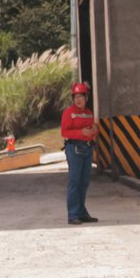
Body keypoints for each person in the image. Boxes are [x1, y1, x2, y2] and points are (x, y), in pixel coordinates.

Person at [60, 81, 98, 225]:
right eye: (76, 97)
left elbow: (91, 130)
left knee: (84, 182)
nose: (78, 99)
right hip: (74, 149)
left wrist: (94, 130)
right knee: (74, 182)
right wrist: (81, 132)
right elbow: (64, 132)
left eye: (81, 96)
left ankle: (82, 212)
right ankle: (73, 214)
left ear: (86, 97)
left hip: (87, 148)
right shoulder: (68, 113)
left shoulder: (89, 113)